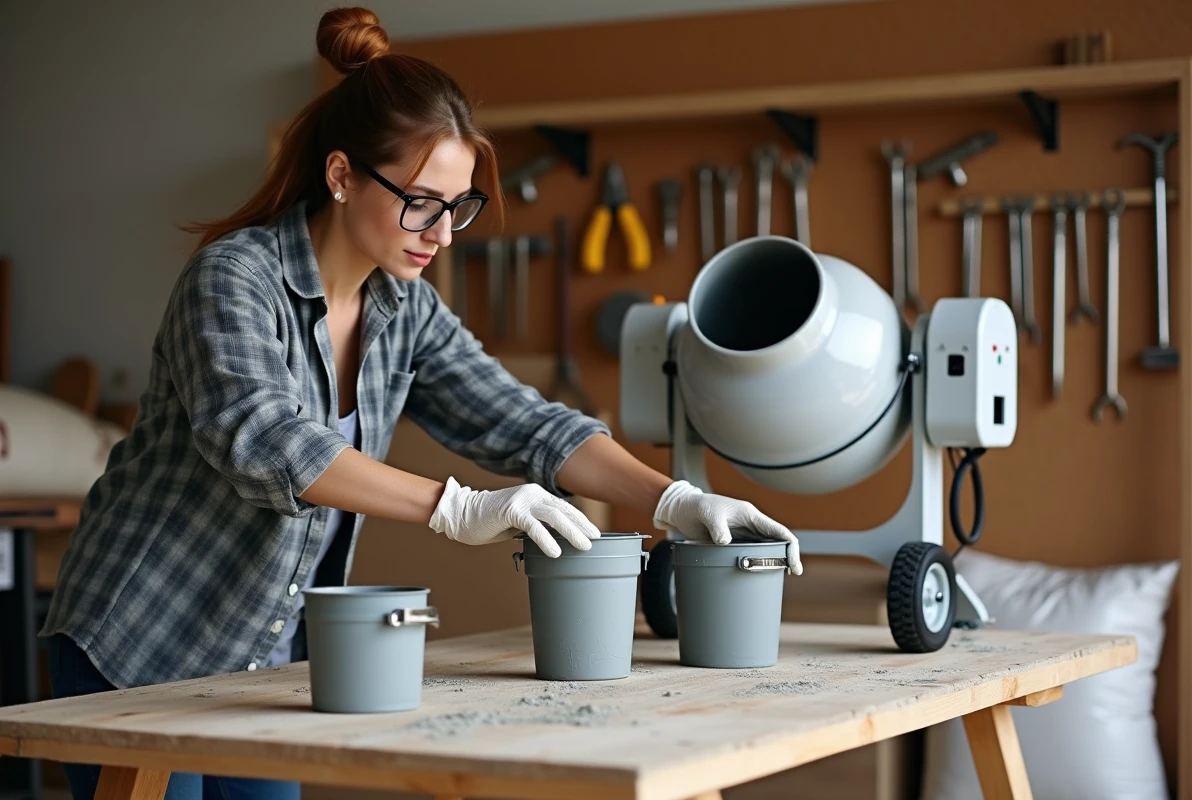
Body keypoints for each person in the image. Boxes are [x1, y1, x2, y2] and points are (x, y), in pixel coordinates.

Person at [38, 7, 801, 800]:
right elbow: (266, 443)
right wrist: (454, 507)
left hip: (262, 658)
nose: (441, 233)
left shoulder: (406, 310)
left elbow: (522, 422)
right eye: (422, 202)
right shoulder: (233, 279)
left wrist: (673, 500)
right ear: (341, 176)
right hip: (141, 640)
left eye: (457, 206)